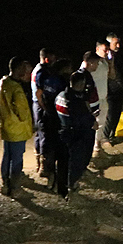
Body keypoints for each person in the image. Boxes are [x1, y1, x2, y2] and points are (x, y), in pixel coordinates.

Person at [55, 55, 100, 201]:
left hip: (64, 131)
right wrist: (92, 123)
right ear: (80, 85)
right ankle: (71, 187)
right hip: (76, 134)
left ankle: (62, 187)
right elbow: (80, 117)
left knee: (64, 162)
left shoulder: (61, 95)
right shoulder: (76, 100)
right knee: (76, 160)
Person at [0, 57, 33, 196]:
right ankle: (15, 188)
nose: (28, 73)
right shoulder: (17, 89)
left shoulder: (3, 82)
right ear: (20, 68)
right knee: (17, 159)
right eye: (26, 69)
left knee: (7, 156)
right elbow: (22, 112)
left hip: (6, 126)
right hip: (17, 129)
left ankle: (5, 184)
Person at [41, 58, 72, 189]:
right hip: (58, 120)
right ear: (64, 69)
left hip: (47, 117)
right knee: (61, 151)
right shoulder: (63, 82)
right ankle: (60, 182)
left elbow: (41, 96)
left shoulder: (47, 80)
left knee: (49, 148)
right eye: (70, 68)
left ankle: (50, 176)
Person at [31, 48, 57, 176]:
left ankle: (40, 163)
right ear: (46, 59)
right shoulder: (42, 71)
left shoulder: (37, 69)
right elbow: (39, 92)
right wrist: (46, 108)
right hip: (41, 105)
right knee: (44, 135)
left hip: (38, 104)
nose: (54, 61)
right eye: (52, 58)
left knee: (40, 134)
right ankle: (44, 167)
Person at [86, 40, 110, 157]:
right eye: (104, 50)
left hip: (103, 97)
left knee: (102, 123)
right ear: (97, 49)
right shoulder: (89, 64)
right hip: (93, 100)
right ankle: (91, 150)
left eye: (108, 50)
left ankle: (97, 146)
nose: (107, 52)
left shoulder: (105, 63)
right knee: (93, 124)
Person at [103, 32, 123, 147]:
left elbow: (122, 70)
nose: (118, 46)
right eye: (115, 43)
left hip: (119, 87)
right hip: (109, 89)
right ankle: (105, 137)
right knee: (110, 113)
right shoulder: (104, 58)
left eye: (118, 43)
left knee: (117, 112)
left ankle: (112, 135)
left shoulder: (118, 55)